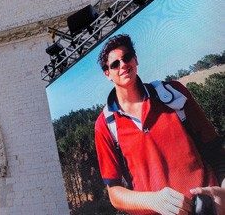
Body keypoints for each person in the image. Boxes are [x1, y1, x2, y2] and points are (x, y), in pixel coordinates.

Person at [94, 34, 224, 214]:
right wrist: (153, 200)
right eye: (115, 64)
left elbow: (217, 151)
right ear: (107, 73)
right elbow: (115, 193)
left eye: (127, 57)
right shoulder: (105, 125)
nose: (123, 65)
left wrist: (223, 193)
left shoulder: (173, 94)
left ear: (135, 59)